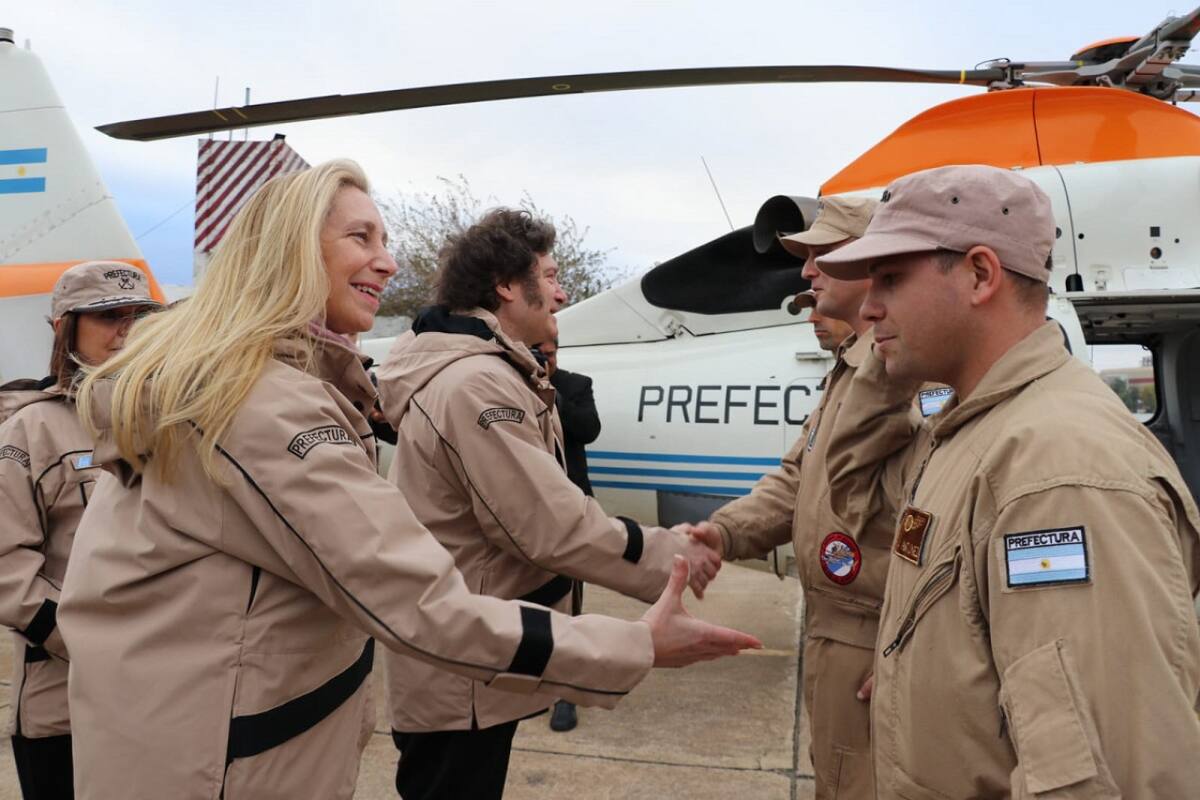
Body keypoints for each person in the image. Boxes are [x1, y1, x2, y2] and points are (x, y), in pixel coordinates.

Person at [56, 161, 760, 800]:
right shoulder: (265, 404)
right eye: (360, 238)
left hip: (205, 746)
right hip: (228, 765)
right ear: (291, 253)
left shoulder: (251, 388)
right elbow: (428, 603)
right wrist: (634, 643)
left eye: (385, 238)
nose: (388, 261)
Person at [817, 164, 1200, 798]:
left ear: (979, 275)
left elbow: (1101, 773)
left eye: (889, 278)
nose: (869, 305)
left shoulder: (1058, 472)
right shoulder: (976, 433)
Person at [376, 208, 724, 799]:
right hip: (465, 671)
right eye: (551, 275)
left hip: (483, 658)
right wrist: (674, 555)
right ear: (508, 286)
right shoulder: (473, 383)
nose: (561, 293)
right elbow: (551, 526)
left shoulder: (491, 370)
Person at [682, 196, 890, 800]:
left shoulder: (909, 373)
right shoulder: (852, 371)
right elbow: (798, 480)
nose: (805, 272)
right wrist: (721, 531)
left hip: (877, 639)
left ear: (873, 264)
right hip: (838, 635)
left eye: (822, 256)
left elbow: (941, 518)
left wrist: (918, 641)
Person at [0, 261, 160, 800]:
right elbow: (6, 569)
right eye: (109, 317)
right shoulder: (29, 428)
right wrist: (99, 645)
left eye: (139, 318)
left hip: (168, 701)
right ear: (63, 327)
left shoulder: (171, 416)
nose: (126, 332)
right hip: (64, 708)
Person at [533, 336, 601, 732]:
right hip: (527, 511)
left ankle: (565, 693)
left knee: (568, 606)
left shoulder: (576, 385)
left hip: (570, 512)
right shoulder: (504, 382)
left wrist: (550, 391)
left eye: (551, 351)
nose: (546, 358)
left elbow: (588, 429)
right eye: (537, 351)